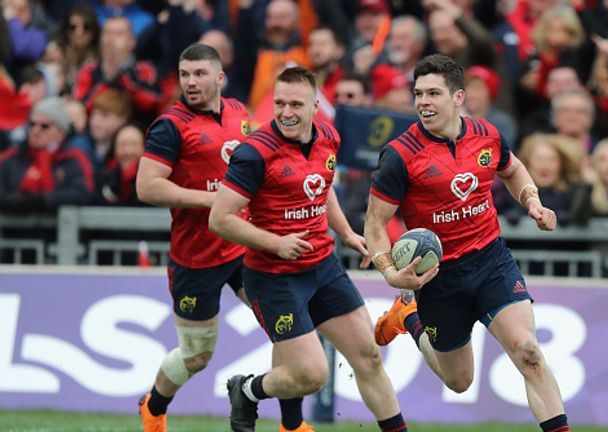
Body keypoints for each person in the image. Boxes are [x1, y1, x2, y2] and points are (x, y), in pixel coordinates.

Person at [363, 54, 571, 432]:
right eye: (418, 93)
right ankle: (409, 317)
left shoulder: (487, 134)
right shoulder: (399, 155)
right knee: (459, 382)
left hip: (491, 261)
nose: (423, 102)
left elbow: (513, 169)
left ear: (459, 97)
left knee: (529, 353)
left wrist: (533, 202)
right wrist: (391, 274)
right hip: (440, 279)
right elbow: (375, 224)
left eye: (433, 93)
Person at [208, 66, 410, 432]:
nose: (286, 112)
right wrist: (275, 242)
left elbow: (321, 186)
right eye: (280, 103)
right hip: (273, 278)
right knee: (312, 375)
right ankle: (248, 390)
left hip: (322, 267)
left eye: (296, 104)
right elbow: (220, 219)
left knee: (368, 357)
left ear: (316, 105)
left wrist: (347, 232)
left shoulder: (329, 137)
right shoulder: (253, 153)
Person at [135, 43, 311, 432]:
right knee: (197, 356)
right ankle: (154, 405)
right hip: (196, 257)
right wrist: (213, 200)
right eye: (184, 75)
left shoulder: (238, 112)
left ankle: (292, 425)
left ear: (219, 77)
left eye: (199, 74)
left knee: (287, 326)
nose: (191, 82)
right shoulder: (171, 126)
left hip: (244, 246)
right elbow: (146, 187)